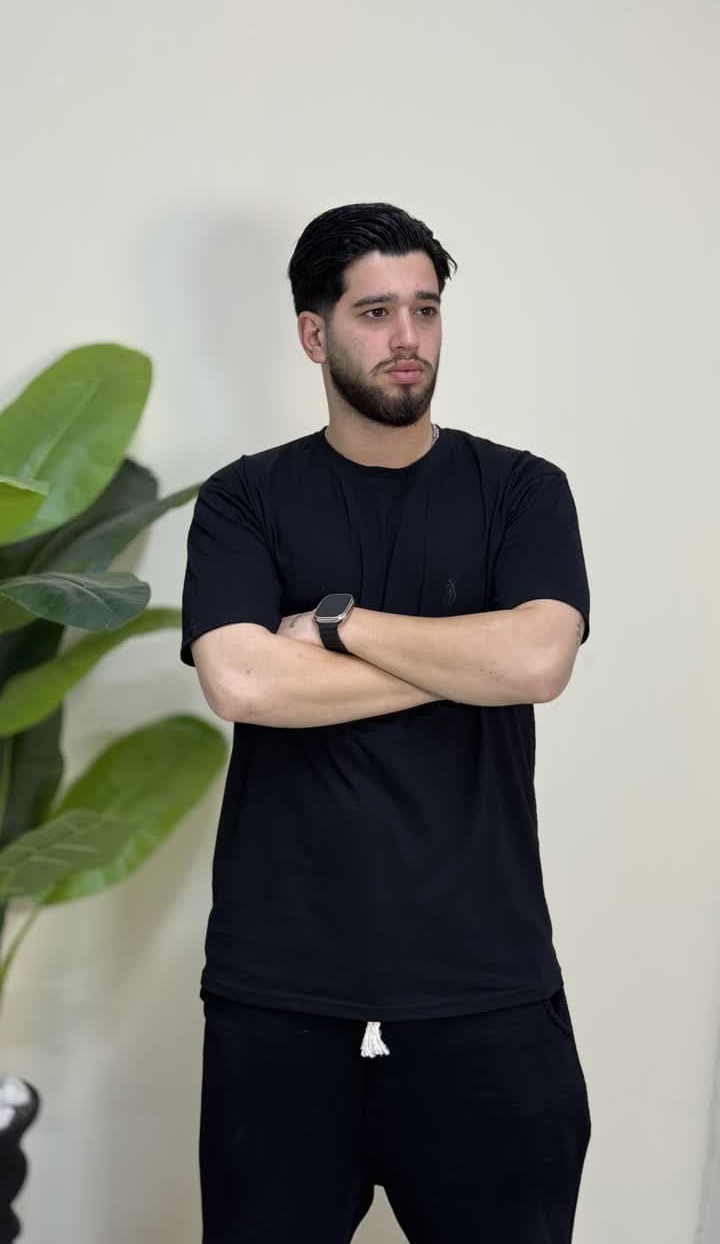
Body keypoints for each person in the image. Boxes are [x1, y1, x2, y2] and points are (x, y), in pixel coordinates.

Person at [180, 201, 592, 1243]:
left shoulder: (522, 491)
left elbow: (538, 661)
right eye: (375, 312)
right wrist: (464, 662)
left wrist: (339, 626)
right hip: (281, 1001)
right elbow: (244, 681)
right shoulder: (244, 500)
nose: (408, 336)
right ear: (313, 333)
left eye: (425, 309)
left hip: (485, 995)